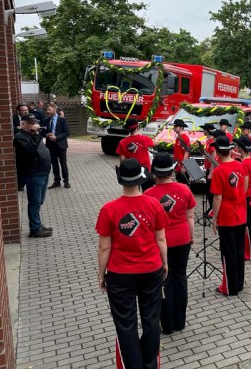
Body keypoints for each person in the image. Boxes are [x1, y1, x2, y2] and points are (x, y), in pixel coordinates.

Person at [96, 158, 168, 369]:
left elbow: (104, 248)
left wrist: (101, 275)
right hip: (151, 269)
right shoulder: (153, 204)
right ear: (140, 180)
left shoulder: (109, 209)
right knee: (151, 320)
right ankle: (150, 364)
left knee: (126, 325)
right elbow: (161, 239)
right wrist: (165, 264)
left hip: (120, 274)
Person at [144, 153, 196, 335]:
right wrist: (191, 236)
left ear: (154, 173)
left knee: (164, 281)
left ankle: (167, 324)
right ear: (172, 170)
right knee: (180, 278)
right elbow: (190, 217)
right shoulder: (184, 189)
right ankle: (180, 321)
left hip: (160, 242)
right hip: (182, 239)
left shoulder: (148, 195)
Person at [210, 136, 247, 296]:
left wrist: (214, 218)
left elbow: (217, 197)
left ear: (217, 152)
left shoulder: (219, 171)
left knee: (228, 253)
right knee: (239, 251)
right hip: (240, 213)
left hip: (227, 216)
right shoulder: (239, 165)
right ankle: (238, 283)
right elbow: (244, 185)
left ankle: (230, 287)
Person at [14, 114, 53, 237]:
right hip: (33, 174)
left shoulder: (33, 135)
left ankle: (37, 224)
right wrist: (36, 134)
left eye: (35, 122)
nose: (34, 124)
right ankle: (35, 229)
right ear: (23, 124)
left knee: (39, 201)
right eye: (31, 123)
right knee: (35, 202)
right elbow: (30, 152)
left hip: (42, 172)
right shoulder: (20, 137)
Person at [234, 135, 251, 260]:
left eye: (238, 146)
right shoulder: (249, 160)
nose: (236, 148)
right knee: (250, 223)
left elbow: (246, 182)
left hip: (247, 195)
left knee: (248, 224)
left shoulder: (245, 163)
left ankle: (249, 252)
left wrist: (240, 197)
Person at [116, 118, 155, 191]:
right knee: (147, 192)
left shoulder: (122, 142)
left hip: (132, 172)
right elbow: (155, 143)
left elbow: (122, 160)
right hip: (145, 171)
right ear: (138, 127)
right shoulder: (144, 139)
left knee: (133, 193)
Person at [42, 103, 71, 189]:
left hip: (61, 145)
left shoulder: (62, 120)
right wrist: (47, 135)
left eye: (49, 110)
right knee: (54, 164)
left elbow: (67, 132)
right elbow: (42, 132)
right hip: (50, 145)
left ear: (54, 109)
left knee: (63, 163)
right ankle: (57, 181)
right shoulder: (46, 120)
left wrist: (56, 137)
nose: (47, 111)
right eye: (47, 110)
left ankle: (66, 181)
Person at [172, 119, 190, 183]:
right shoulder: (178, 137)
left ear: (181, 127)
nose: (174, 128)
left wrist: (184, 167)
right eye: (174, 126)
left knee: (184, 184)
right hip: (178, 166)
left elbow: (186, 152)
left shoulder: (185, 138)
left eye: (176, 126)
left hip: (182, 167)